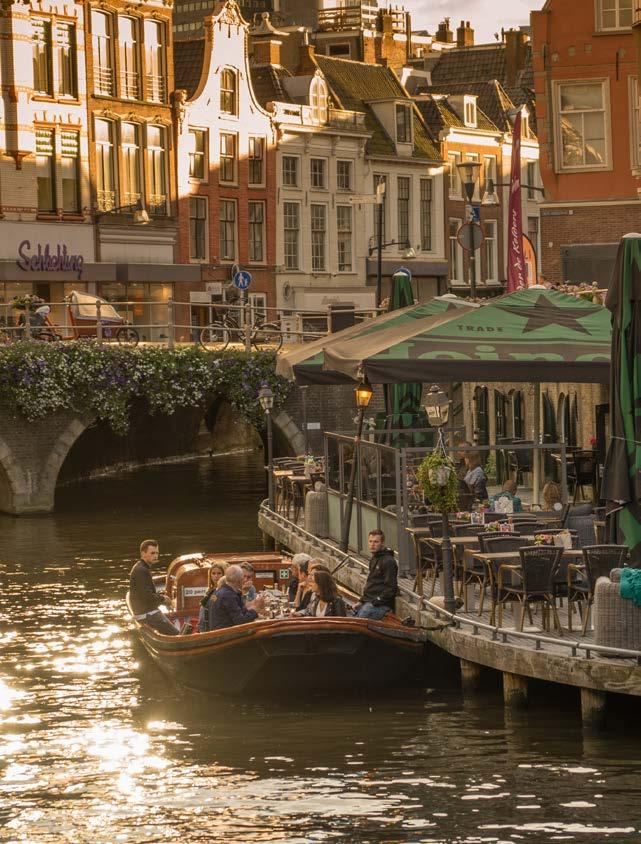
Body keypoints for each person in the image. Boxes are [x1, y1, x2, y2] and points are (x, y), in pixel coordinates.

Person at [129, 539, 179, 635]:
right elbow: (147, 597)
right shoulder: (142, 571)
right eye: (152, 553)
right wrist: (163, 599)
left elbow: (146, 594)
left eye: (157, 553)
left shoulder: (141, 567)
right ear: (143, 554)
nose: (155, 556)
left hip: (145, 611)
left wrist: (162, 599)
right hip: (147, 614)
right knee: (176, 634)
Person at [355, 530, 398, 620]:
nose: (372, 544)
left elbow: (391, 588)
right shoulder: (374, 558)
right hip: (369, 601)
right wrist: (361, 601)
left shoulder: (388, 561)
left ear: (382, 543)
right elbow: (371, 582)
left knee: (361, 617)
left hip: (382, 605)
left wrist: (376, 601)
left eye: (376, 542)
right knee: (355, 611)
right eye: (370, 541)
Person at [208, 565, 265, 631]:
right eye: (243, 577)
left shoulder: (219, 591)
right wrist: (256, 610)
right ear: (239, 580)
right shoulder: (229, 595)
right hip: (226, 636)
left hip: (217, 633)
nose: (244, 580)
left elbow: (240, 612)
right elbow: (240, 621)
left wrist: (254, 606)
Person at [198, 562, 226, 633]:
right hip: (205, 626)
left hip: (217, 627)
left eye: (219, 573)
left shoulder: (225, 591)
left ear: (224, 575)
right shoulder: (209, 590)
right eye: (213, 573)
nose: (216, 576)